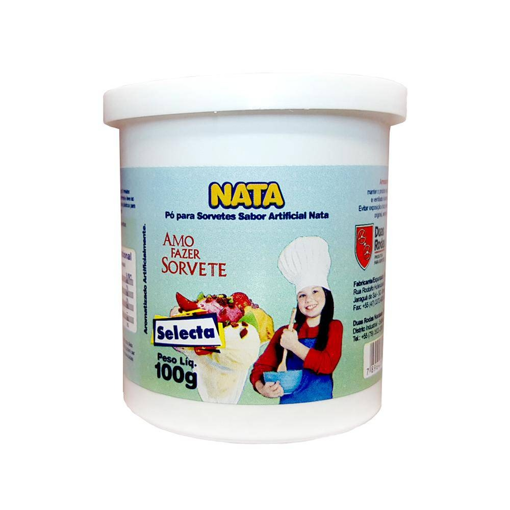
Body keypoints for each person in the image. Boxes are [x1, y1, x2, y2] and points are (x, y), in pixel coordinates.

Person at [250, 237, 343, 404]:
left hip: (322, 406)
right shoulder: (285, 332)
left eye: (315, 291)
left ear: (326, 294)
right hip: (288, 406)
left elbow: (327, 364)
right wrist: (262, 387)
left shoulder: (334, 327)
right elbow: (261, 367)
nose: (309, 299)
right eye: (302, 295)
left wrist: (294, 345)